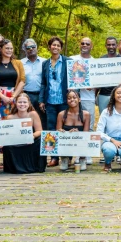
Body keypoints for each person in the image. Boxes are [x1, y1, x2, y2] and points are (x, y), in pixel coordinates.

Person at [39, 36, 69, 167]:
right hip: (50, 101)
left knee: (64, 128)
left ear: (61, 48)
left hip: (64, 100)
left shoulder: (68, 62)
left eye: (58, 45)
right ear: (49, 47)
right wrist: (41, 100)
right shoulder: (45, 64)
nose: (55, 47)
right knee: (51, 128)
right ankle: (54, 157)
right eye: (53, 45)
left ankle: (66, 156)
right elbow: (43, 84)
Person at [4, 93, 47, 173]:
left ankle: (37, 166)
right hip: (16, 142)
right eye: (20, 102)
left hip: (30, 141)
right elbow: (7, 134)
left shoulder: (33, 114)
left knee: (41, 140)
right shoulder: (10, 117)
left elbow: (40, 131)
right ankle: (14, 167)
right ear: (16, 103)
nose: (22, 104)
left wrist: (32, 136)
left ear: (29, 103)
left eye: (24, 102)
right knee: (7, 145)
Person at [97, 85, 121, 172]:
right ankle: (108, 162)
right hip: (109, 140)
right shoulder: (106, 112)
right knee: (109, 150)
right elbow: (99, 131)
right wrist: (112, 140)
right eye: (118, 93)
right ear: (113, 95)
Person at [0, 39, 26, 118]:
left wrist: (13, 96)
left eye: (11, 48)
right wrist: (3, 97)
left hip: (15, 96)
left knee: (14, 120)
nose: (9, 50)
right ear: (0, 49)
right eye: (7, 48)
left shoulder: (18, 63)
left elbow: (22, 80)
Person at [56, 90, 91, 171]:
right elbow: (57, 131)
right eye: (69, 98)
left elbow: (86, 133)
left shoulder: (86, 114)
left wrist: (77, 134)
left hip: (80, 141)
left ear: (79, 99)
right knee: (60, 137)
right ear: (67, 100)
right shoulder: (61, 114)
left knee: (87, 137)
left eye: (74, 97)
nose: (72, 100)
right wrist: (62, 132)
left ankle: (82, 159)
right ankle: (64, 159)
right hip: (66, 142)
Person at [71, 37, 97, 131]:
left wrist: (93, 86)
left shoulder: (95, 62)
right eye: (82, 43)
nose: (84, 45)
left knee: (89, 125)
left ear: (91, 46)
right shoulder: (72, 59)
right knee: (73, 123)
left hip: (88, 98)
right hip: (72, 98)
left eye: (87, 44)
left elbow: (99, 82)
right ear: (79, 45)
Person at [21, 38, 46, 127]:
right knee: (28, 119)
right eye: (28, 48)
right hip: (27, 95)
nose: (31, 49)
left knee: (43, 119)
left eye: (33, 47)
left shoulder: (45, 62)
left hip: (42, 95)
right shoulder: (20, 63)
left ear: (36, 48)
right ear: (24, 50)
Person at [97, 36, 120, 114]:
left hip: (118, 94)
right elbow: (97, 77)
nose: (111, 47)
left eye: (113, 44)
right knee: (103, 117)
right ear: (105, 46)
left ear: (117, 45)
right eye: (109, 44)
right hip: (103, 94)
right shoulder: (101, 60)